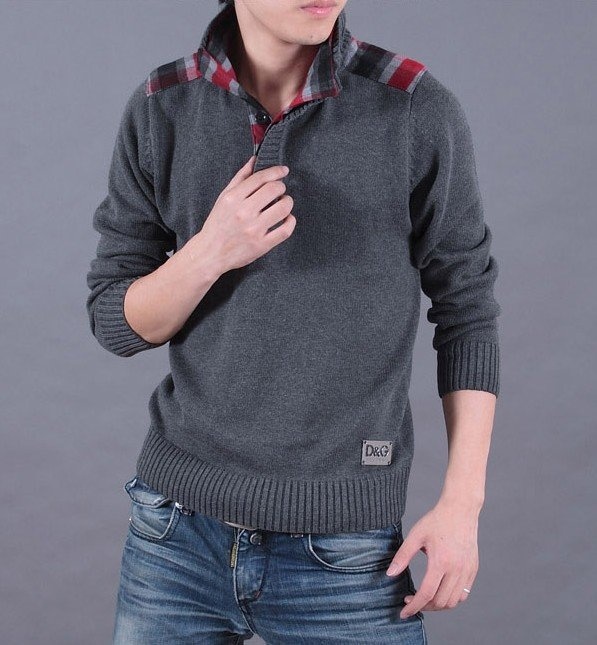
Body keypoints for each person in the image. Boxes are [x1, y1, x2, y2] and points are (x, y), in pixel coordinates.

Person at [86, 0, 501, 642]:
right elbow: (116, 322)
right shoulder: (162, 106)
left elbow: (467, 310)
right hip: (174, 537)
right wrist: (209, 251)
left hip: (344, 548)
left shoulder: (413, 108)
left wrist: (463, 504)